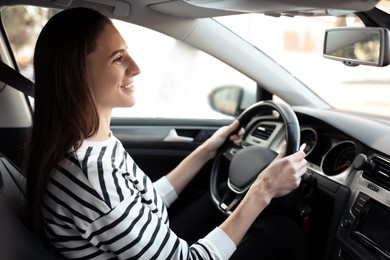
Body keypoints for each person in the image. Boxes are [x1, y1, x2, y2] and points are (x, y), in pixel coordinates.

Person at [25, 7, 311, 260]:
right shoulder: (90, 175)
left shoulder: (90, 141)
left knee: (217, 202)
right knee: (282, 233)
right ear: (77, 74)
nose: (136, 68)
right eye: (118, 58)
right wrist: (264, 189)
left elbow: (147, 201)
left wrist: (207, 151)